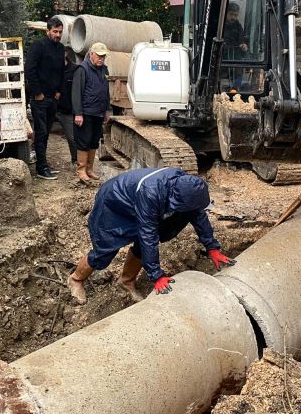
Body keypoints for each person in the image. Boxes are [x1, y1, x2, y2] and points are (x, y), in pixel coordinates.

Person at [67, 168, 235, 304]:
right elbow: (148, 234)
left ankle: (126, 282)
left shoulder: (188, 189)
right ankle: (76, 279)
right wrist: (157, 275)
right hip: (114, 204)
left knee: (142, 246)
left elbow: (198, 215)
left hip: (138, 203)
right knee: (106, 248)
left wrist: (212, 247)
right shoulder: (151, 192)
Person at [25, 17, 65, 180]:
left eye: (60, 32)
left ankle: (44, 163)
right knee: (40, 133)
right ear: (47, 31)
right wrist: (37, 93)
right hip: (40, 98)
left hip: (52, 97)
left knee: (46, 132)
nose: (57, 35)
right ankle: (41, 169)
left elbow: (62, 71)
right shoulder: (38, 46)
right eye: (55, 32)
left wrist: (59, 91)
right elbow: (30, 70)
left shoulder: (61, 48)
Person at [72, 42, 111, 182]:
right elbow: (76, 92)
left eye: (104, 56)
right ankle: (81, 170)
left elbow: (106, 91)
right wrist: (78, 113)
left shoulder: (104, 69)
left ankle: (89, 169)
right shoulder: (82, 69)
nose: (101, 59)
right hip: (86, 112)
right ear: (91, 54)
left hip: (99, 112)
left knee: (94, 141)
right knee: (84, 141)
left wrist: (107, 109)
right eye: (99, 56)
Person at [56, 52, 79, 169]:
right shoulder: (51, 68)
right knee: (41, 134)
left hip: (67, 110)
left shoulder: (75, 69)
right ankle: (41, 163)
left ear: (65, 53)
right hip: (52, 107)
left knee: (72, 137)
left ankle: (76, 161)